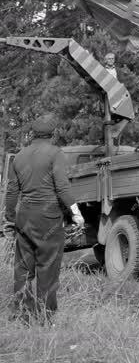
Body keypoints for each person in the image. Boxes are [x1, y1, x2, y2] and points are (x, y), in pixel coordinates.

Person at [3, 115, 84, 324]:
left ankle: (22, 315)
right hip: (48, 217)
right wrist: (76, 213)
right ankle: (45, 319)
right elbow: (62, 188)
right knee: (47, 267)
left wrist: (10, 218)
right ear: (53, 133)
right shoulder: (55, 153)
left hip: (24, 217)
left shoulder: (19, 156)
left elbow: (11, 192)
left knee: (23, 268)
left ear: (33, 133)